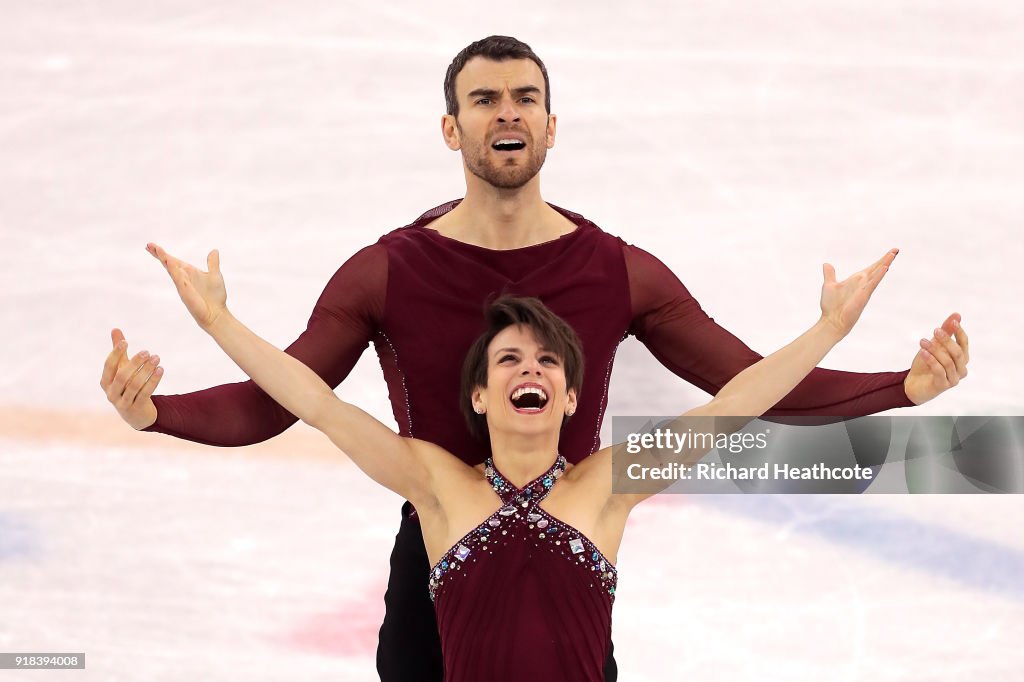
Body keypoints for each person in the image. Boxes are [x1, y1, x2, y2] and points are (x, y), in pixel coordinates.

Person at [100, 36, 970, 681]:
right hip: (440, 531)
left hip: (578, 533)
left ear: (552, 125)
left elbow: (740, 390)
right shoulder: (388, 273)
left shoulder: (615, 273)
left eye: (524, 97)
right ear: (452, 127)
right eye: (484, 98)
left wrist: (901, 382)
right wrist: (159, 408)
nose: (506, 112)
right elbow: (289, 402)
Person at [146, 238, 904, 681]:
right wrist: (220, 322)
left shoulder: (605, 486)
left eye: (547, 361)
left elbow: (734, 403)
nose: (528, 371)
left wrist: (829, 331)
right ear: (478, 396)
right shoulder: (438, 487)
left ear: (573, 399)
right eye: (508, 360)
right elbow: (317, 403)